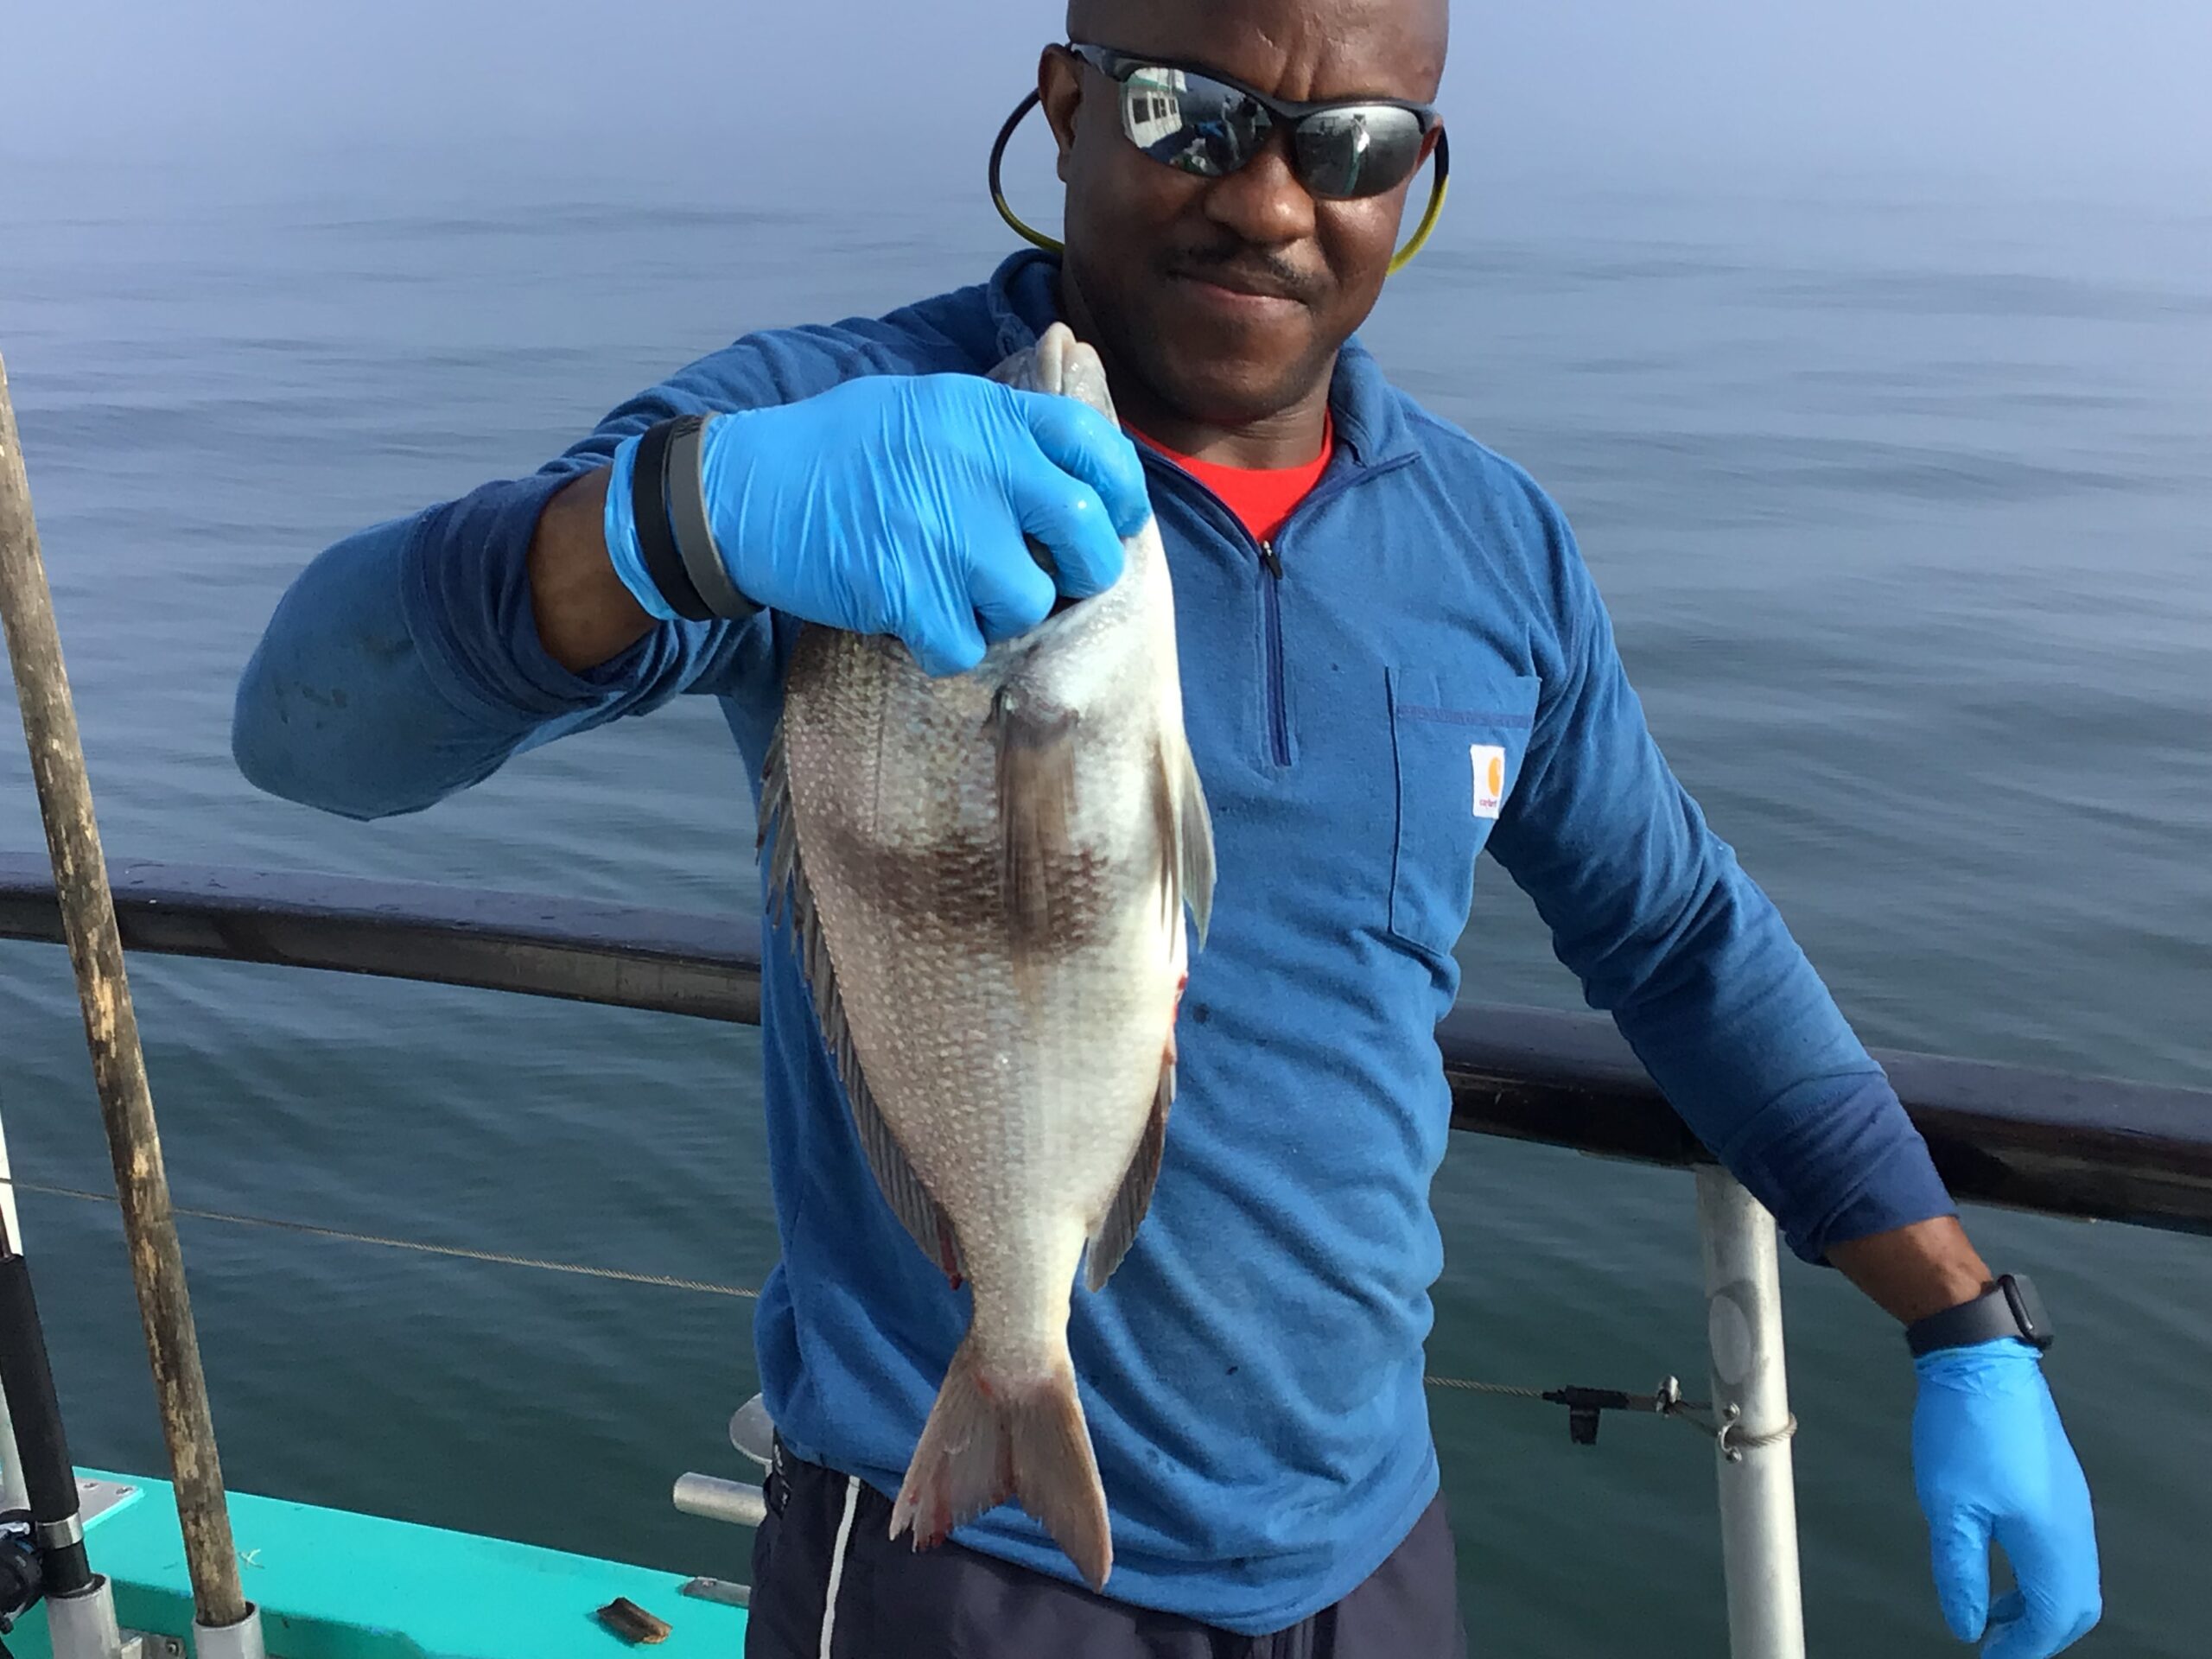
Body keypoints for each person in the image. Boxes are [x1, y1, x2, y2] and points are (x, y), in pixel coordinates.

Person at [231, 3, 2103, 1656]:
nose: (1269, 200)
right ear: (1061, 108)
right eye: (1187, 115)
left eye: (1351, 145)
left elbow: (1676, 941)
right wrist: (666, 521)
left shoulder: (1489, 543)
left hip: (1364, 1552)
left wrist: (1960, 1322)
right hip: (953, 1546)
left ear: (1415, 176)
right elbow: (315, 730)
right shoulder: (833, 434)